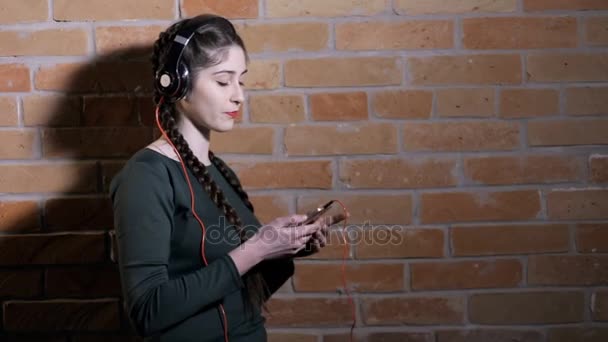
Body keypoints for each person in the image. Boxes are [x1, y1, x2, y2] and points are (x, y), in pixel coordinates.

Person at [109, 14, 343, 342]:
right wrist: (255, 250)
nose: (238, 96)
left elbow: (241, 293)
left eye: (241, 80)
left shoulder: (219, 172)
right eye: (223, 81)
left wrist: (286, 248)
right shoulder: (146, 177)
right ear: (178, 83)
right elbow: (148, 312)